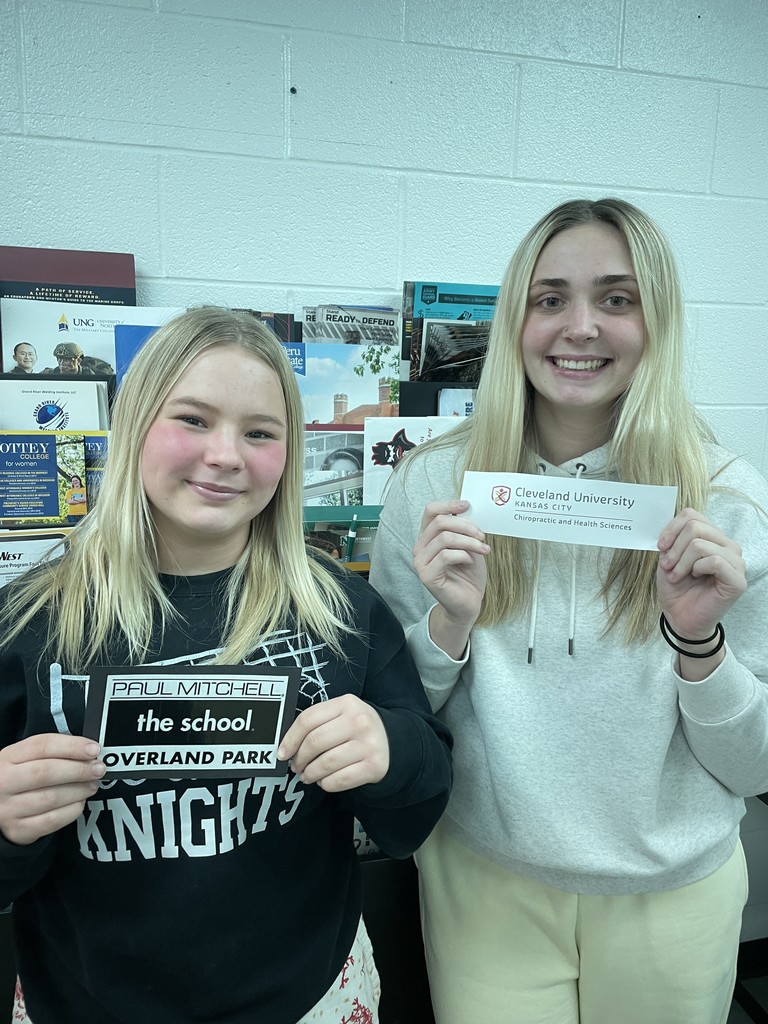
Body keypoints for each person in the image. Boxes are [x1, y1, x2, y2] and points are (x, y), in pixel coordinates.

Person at [369, 198, 768, 1024]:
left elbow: (756, 770)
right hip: (484, 877)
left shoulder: (727, 506)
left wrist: (698, 643)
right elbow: (397, 724)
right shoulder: (434, 486)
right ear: (516, 318)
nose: (579, 327)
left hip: (672, 892)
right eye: (550, 299)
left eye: (616, 299)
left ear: (656, 320)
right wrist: (447, 626)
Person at [0, 306, 452, 1024]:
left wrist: (392, 749)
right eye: (193, 419)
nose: (225, 456)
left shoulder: (341, 610)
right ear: (136, 425)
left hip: (312, 999)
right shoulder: (27, 623)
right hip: (83, 1004)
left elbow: (419, 806)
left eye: (260, 433)